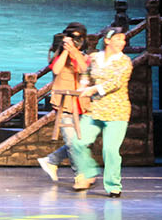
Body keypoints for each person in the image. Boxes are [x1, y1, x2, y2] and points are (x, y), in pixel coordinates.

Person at [69, 26, 134, 197]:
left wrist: (93, 89)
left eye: (123, 39)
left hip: (117, 111)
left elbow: (116, 82)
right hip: (96, 110)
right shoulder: (95, 57)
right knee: (77, 142)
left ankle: (113, 185)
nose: (122, 42)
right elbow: (86, 72)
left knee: (110, 150)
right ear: (107, 40)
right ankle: (89, 172)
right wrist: (83, 84)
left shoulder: (124, 61)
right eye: (118, 39)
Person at [37, 21, 92, 182]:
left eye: (78, 38)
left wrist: (75, 52)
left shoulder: (85, 57)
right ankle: (80, 175)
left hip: (82, 105)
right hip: (64, 105)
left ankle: (51, 160)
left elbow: (84, 70)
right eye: (72, 38)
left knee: (81, 142)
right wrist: (66, 51)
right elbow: (56, 70)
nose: (75, 41)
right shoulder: (60, 56)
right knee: (72, 142)